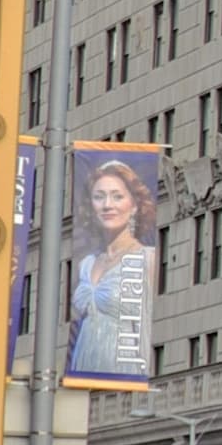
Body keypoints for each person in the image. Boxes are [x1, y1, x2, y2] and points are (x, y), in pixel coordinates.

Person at [67, 157, 158, 380]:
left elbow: (149, 323)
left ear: (134, 205)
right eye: (100, 197)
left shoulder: (147, 259)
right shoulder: (86, 264)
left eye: (117, 196)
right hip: (83, 365)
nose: (108, 205)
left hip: (123, 370)